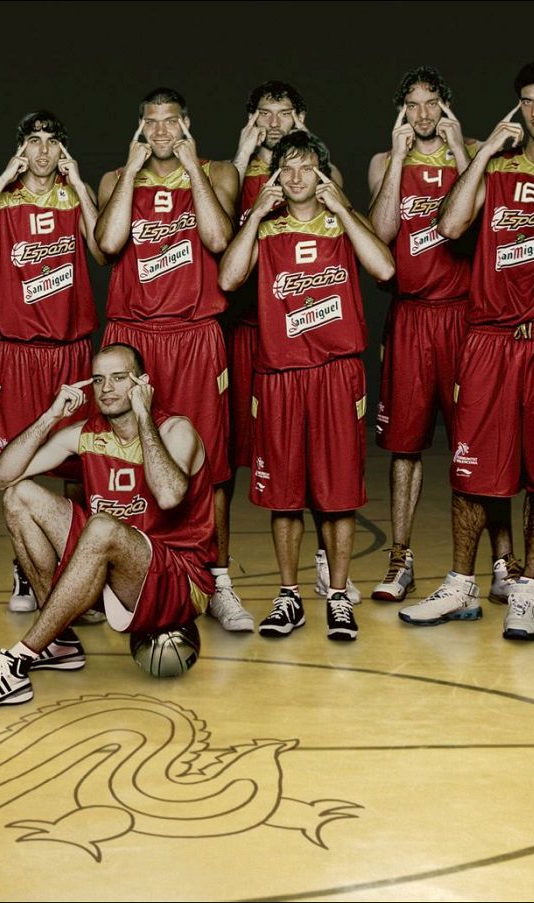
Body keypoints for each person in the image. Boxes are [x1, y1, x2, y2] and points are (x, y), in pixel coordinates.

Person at [400, 61, 534, 640]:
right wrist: (480, 155)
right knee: (472, 467)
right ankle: (461, 583)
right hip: (490, 336)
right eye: (527, 100)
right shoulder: (499, 164)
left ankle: (527, 588)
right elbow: (451, 227)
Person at [0, 343, 214, 712]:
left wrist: (143, 414)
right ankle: (58, 644)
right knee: (20, 496)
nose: (107, 388)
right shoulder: (86, 433)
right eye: (98, 380)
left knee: (101, 527)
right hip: (112, 565)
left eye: (119, 378)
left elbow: (168, 496)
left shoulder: (176, 430)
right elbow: (0, 478)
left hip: (180, 580)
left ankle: (17, 663)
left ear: (143, 384)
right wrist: (51, 416)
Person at [220, 131, 395, 641]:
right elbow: (229, 280)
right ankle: (289, 596)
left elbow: (385, 267)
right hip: (279, 376)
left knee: (338, 493)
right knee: (284, 495)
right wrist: (254, 214)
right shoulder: (266, 228)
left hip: (336, 373)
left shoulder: (342, 222)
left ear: (322, 174)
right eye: (288, 169)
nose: (297, 178)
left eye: (307, 168)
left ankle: (338, 596)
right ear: (276, 176)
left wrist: (343, 209)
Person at [95, 87, 244, 631]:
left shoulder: (219, 171)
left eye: (171, 121)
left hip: (194, 334)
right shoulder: (116, 178)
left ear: (186, 124)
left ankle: (218, 581)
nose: (161, 131)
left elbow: (219, 238)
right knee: (126, 456)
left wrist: (191, 167)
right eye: (151, 122)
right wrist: (133, 169)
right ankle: (126, 574)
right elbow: (109, 244)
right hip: (132, 333)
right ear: (139, 127)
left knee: (212, 465)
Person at [0, 110, 101, 613]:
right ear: (20, 149)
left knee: (79, 463)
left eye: (52, 142)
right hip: (14, 352)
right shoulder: (0, 197)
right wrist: (0, 179)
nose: (43, 151)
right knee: (16, 463)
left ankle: (77, 566)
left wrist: (80, 185)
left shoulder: (75, 196)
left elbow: (104, 252)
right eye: (33, 141)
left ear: (63, 150)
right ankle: (24, 565)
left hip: (71, 349)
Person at [226, 80, 354, 608]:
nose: (273, 122)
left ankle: (327, 565)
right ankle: (224, 578)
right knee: (247, 457)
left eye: (284, 113)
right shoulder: (234, 174)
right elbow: (220, 243)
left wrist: (305, 156)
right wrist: (241, 160)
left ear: (299, 117)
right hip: (249, 328)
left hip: (308, 333)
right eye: (264, 113)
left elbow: (341, 210)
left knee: (326, 460)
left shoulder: (311, 173)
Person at [364, 66, 480, 603]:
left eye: (432, 103)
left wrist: (460, 151)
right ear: (401, 112)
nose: (423, 114)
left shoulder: (473, 152)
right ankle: (400, 558)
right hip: (411, 317)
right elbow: (382, 233)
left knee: (476, 443)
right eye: (413, 105)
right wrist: (397, 158)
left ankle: (498, 561)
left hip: (464, 315)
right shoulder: (384, 162)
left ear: (446, 107)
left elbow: (480, 222)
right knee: (404, 447)